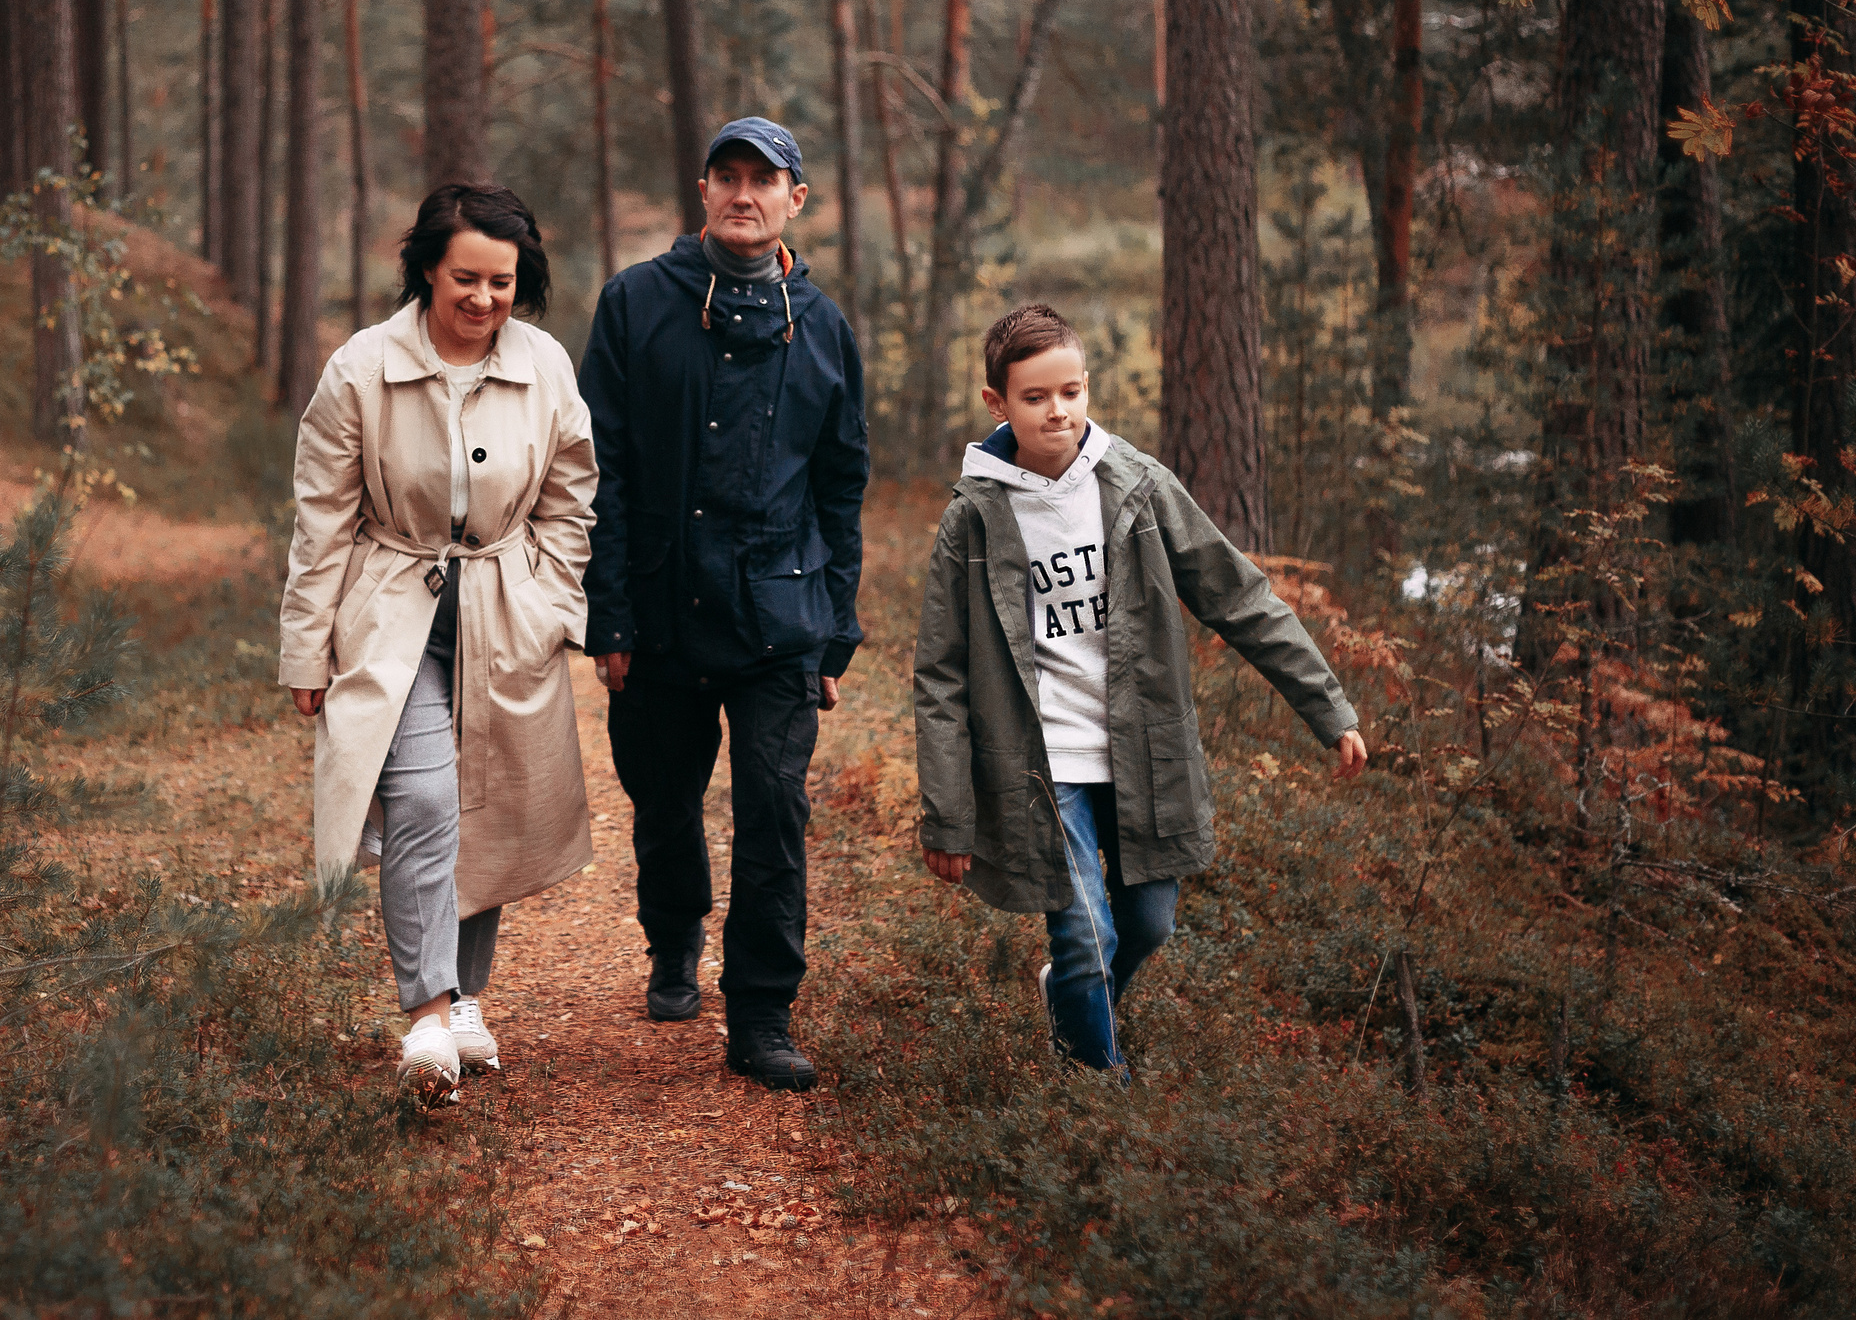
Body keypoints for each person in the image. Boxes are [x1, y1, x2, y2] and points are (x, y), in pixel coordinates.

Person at [912, 303, 1368, 1074]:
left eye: (1072, 390)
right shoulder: (974, 521)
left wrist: (1328, 707)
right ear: (998, 403)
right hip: (1040, 764)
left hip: (1139, 754)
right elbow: (941, 676)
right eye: (1035, 397)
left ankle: (1070, 998)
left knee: (1148, 926)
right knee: (1087, 931)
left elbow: (1240, 596)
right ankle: (1096, 1087)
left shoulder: (1138, 486)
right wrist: (947, 815)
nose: (1057, 410)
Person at [280, 183, 598, 1102]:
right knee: (423, 798)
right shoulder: (361, 367)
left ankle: (467, 998)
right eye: (466, 277)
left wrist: (549, 597)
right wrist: (307, 649)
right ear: (427, 267)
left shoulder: (543, 364)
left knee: (484, 800)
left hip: (507, 611)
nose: (484, 299)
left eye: (502, 281)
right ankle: (427, 1013)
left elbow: (572, 494)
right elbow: (322, 518)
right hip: (393, 611)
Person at [578, 116, 870, 1092]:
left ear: (796, 199)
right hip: (659, 612)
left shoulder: (823, 327)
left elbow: (841, 484)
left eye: (765, 180)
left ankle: (760, 1014)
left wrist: (834, 630)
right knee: (662, 803)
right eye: (727, 177)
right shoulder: (633, 306)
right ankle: (672, 937)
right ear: (701, 193)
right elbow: (601, 470)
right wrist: (608, 616)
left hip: (778, 618)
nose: (744, 194)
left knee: (773, 810)